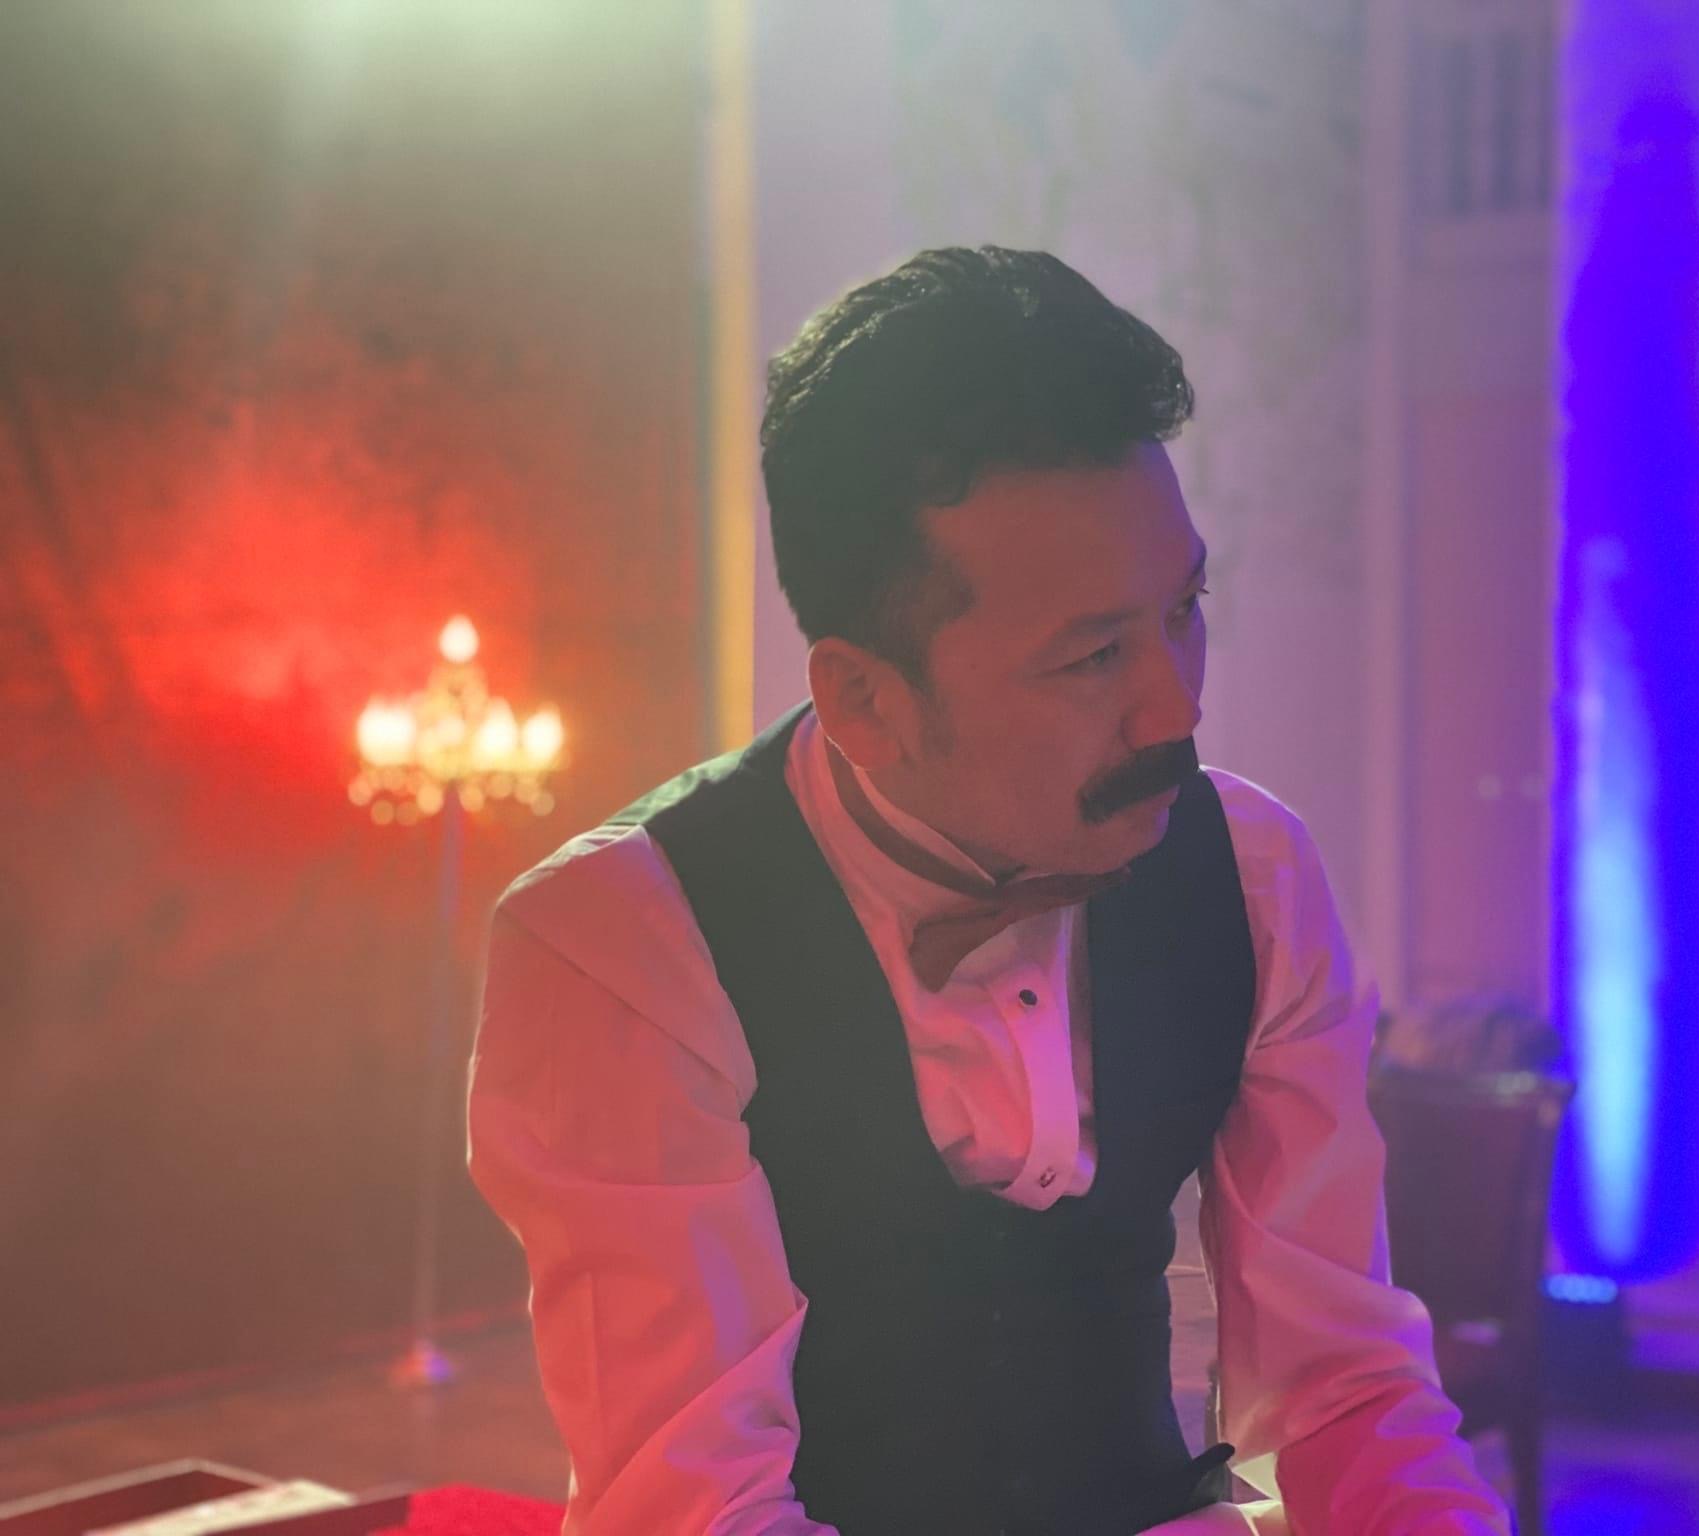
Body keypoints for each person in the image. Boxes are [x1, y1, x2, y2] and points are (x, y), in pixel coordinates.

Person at [467, 246, 1510, 1536]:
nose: (1178, 708)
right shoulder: (623, 943)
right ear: (865, 699)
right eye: (1092, 656)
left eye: (1184, 608)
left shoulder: (1255, 874)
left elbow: (1347, 1389)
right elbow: (698, 1513)